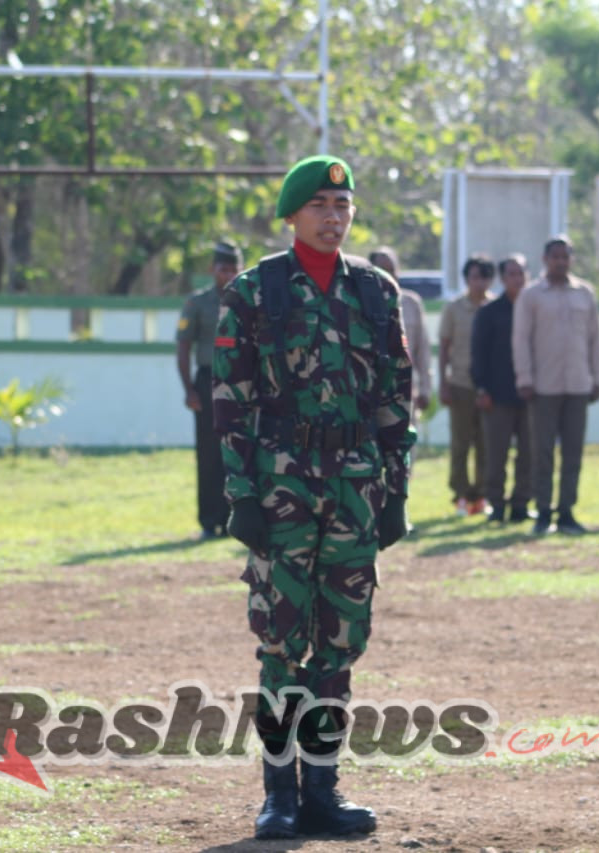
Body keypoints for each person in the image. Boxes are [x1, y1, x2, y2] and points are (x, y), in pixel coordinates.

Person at [213, 154, 414, 840]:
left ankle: (322, 789)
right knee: (280, 642)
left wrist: (396, 491)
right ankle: (279, 794)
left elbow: (395, 396)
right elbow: (231, 400)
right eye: (320, 205)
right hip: (281, 487)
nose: (334, 217)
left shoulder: (376, 292)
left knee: (340, 642)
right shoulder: (254, 291)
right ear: (292, 215)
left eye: (343, 204)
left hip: (356, 486)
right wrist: (240, 493)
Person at [512, 236, 599, 535]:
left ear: (571, 259)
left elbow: (595, 339)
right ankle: (543, 512)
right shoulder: (531, 295)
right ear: (545, 259)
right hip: (543, 387)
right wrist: (525, 378)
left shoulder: (585, 293)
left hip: (578, 385)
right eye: (555, 257)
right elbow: (521, 340)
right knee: (542, 453)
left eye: (565, 257)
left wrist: (597, 377)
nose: (560, 262)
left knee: (573, 453)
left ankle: (566, 512)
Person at [176, 240, 242, 539]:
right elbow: (183, 347)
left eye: (233, 269)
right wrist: (189, 390)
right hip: (207, 382)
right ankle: (208, 520)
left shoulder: (246, 301)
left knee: (237, 452)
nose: (228, 275)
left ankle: (233, 519)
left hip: (240, 382)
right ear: (212, 269)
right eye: (223, 269)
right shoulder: (197, 303)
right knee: (208, 453)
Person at [472, 254, 533, 523]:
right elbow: (478, 354)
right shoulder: (489, 312)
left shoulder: (534, 309)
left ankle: (521, 504)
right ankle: (496, 505)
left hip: (529, 394)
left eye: (521, 273)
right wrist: (482, 388)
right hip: (497, 395)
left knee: (528, 453)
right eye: (511, 274)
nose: (517, 279)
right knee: (496, 454)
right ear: (502, 278)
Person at [439, 255, 492, 515]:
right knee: (461, 443)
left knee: (485, 444)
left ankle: (480, 495)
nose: (479, 282)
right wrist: (443, 383)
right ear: (466, 279)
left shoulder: (494, 307)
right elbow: (444, 347)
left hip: (488, 387)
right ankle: (460, 494)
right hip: (460, 384)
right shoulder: (454, 308)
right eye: (474, 277)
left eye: (484, 277)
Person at [368, 247, 432, 417]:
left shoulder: (411, 303)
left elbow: (422, 349)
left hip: (405, 390)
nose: (388, 275)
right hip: (370, 391)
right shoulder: (361, 302)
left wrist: (425, 388)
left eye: (392, 270)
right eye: (382, 270)